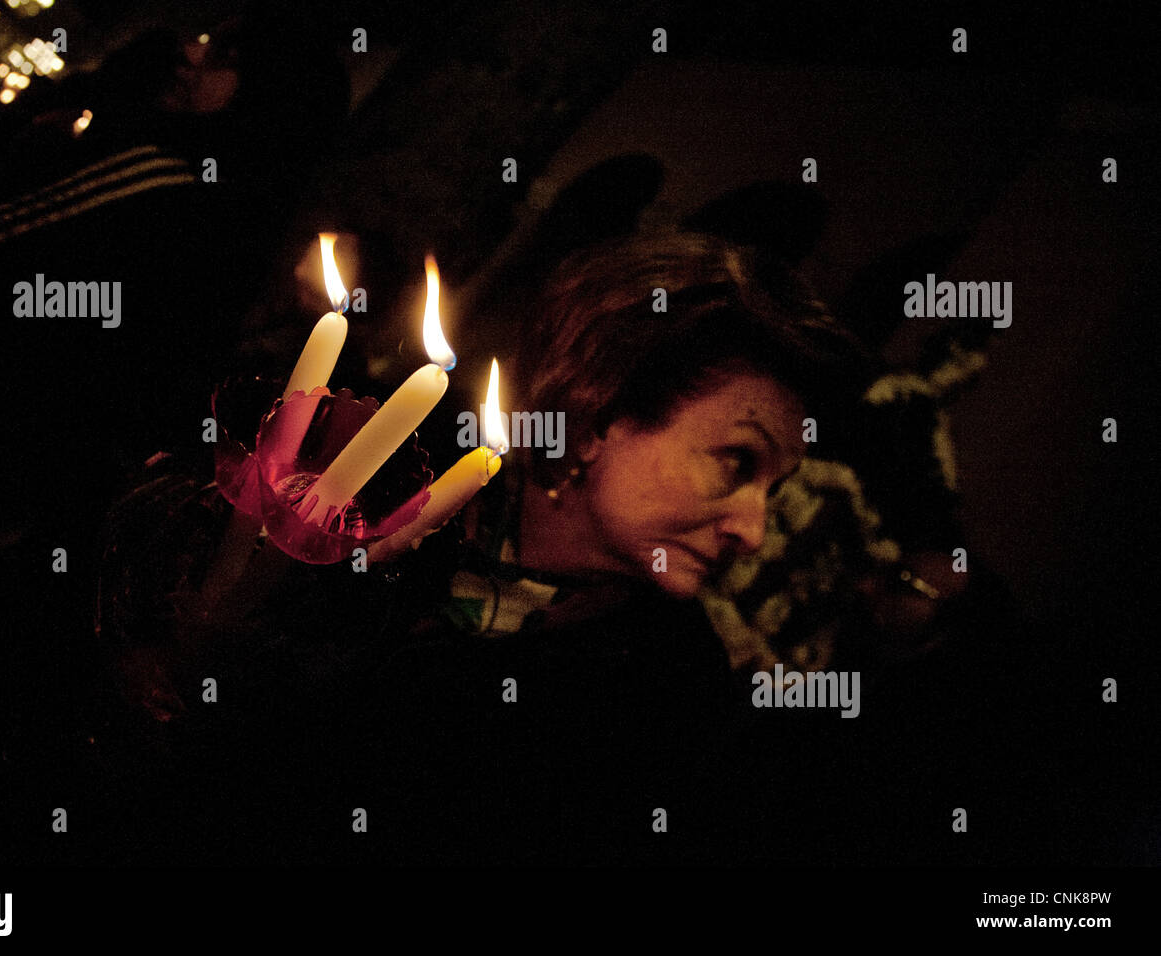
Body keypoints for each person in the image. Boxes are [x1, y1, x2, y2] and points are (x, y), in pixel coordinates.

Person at [90, 231, 889, 865]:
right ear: (602, 404)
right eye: (737, 462)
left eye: (774, 489)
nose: (753, 526)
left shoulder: (665, 703)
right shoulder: (387, 469)